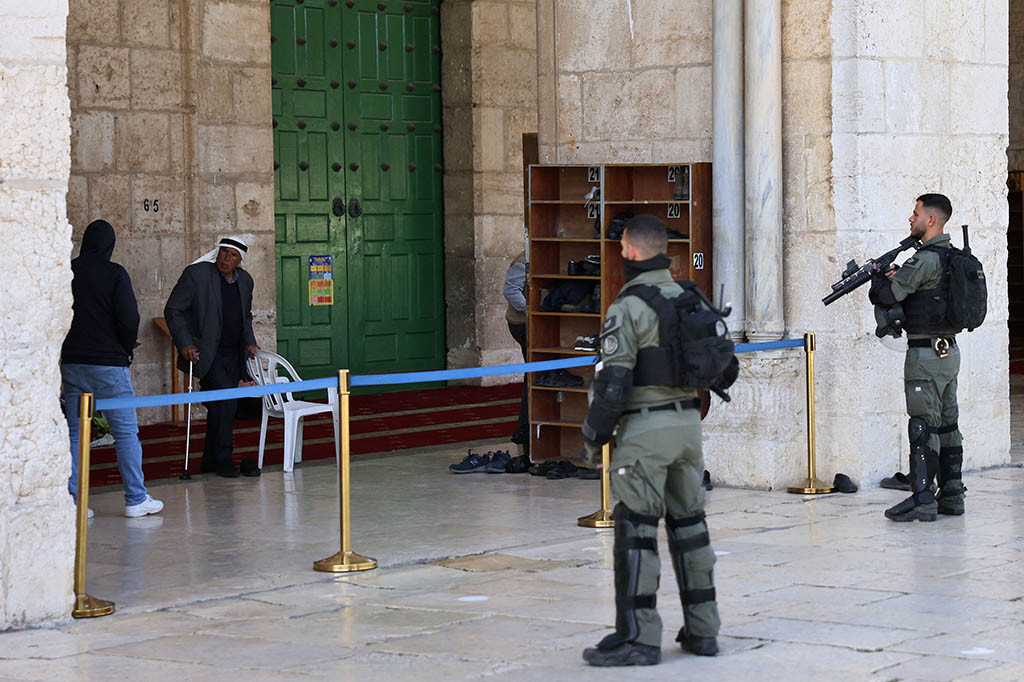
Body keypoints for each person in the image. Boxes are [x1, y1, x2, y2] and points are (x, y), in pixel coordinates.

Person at [579, 215, 721, 667]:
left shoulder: (628, 305)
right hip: (687, 426)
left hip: (646, 430)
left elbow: (614, 381)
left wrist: (594, 438)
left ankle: (639, 639)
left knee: (636, 533)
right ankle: (703, 632)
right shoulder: (688, 296)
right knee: (690, 529)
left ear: (631, 250)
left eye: (621, 246)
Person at [869, 193, 965, 521]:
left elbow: (887, 294)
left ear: (932, 220)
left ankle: (923, 497)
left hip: (925, 354)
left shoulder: (924, 259)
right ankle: (952, 495)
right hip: (949, 351)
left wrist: (880, 277)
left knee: (923, 425)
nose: (911, 219)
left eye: (915, 214)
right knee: (948, 422)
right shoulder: (953, 256)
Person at [61, 220, 163, 518]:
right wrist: (125, 347)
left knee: (75, 435)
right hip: (108, 364)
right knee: (126, 433)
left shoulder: (68, 271)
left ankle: (74, 501)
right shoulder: (115, 273)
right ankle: (135, 498)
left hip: (72, 362)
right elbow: (128, 317)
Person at [164, 237, 260, 478]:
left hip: (234, 353)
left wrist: (250, 340)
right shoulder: (196, 274)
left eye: (232, 255)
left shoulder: (245, 281)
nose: (226, 259)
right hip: (207, 353)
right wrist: (185, 343)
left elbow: (245, 316)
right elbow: (174, 310)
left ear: (240, 260)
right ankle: (223, 459)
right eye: (223, 253)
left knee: (221, 405)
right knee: (226, 400)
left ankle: (209, 461)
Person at [503, 249, 529, 463]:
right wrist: (532, 312)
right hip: (524, 325)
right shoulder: (523, 260)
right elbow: (511, 291)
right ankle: (524, 434)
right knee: (533, 380)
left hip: (529, 323)